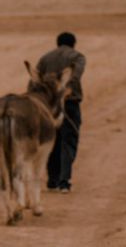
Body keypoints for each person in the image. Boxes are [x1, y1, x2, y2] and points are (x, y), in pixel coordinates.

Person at [38, 32, 86, 193]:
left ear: (57, 43)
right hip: (69, 103)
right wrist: (65, 92)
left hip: (48, 106)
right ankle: (64, 182)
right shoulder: (77, 56)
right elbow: (74, 76)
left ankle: (52, 180)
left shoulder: (45, 58)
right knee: (69, 140)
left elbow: (34, 82)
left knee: (52, 141)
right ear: (74, 43)